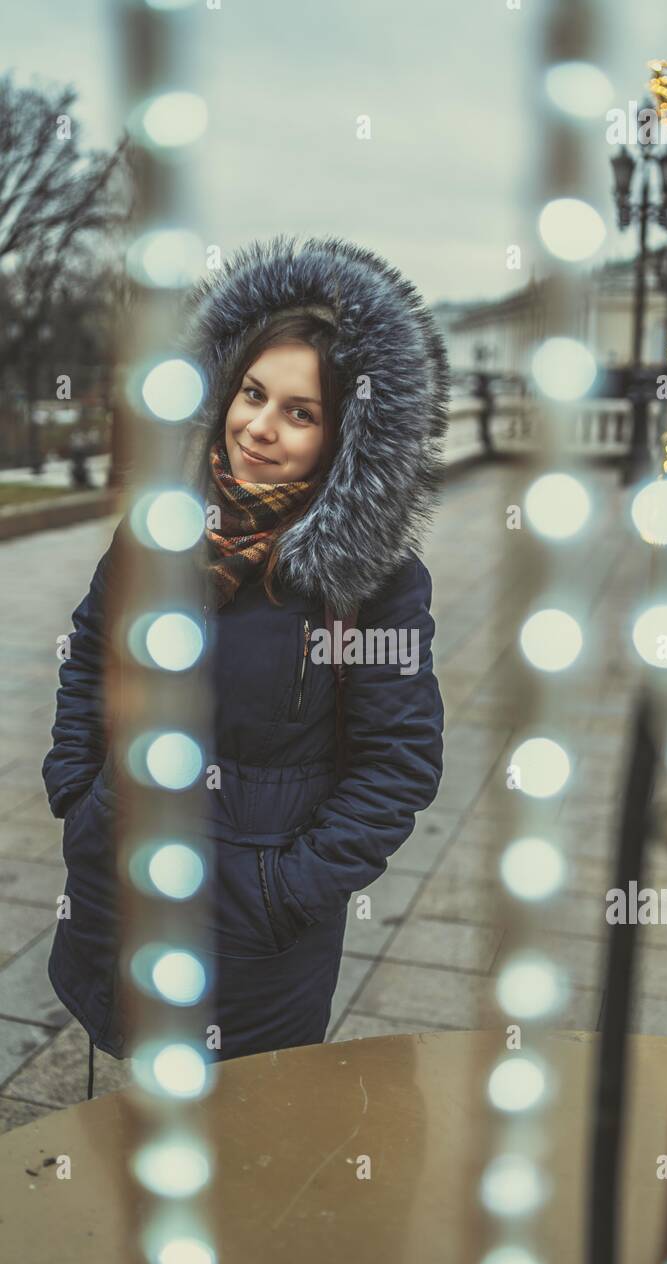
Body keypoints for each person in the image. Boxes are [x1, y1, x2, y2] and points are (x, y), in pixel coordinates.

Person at [41, 233, 449, 1070]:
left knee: (244, 1158)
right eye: (251, 393)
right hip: (119, 881)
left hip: (251, 937)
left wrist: (285, 891)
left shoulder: (372, 581)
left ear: (349, 434)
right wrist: (79, 788)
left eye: (300, 412)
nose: (258, 428)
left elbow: (399, 760)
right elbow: (90, 654)